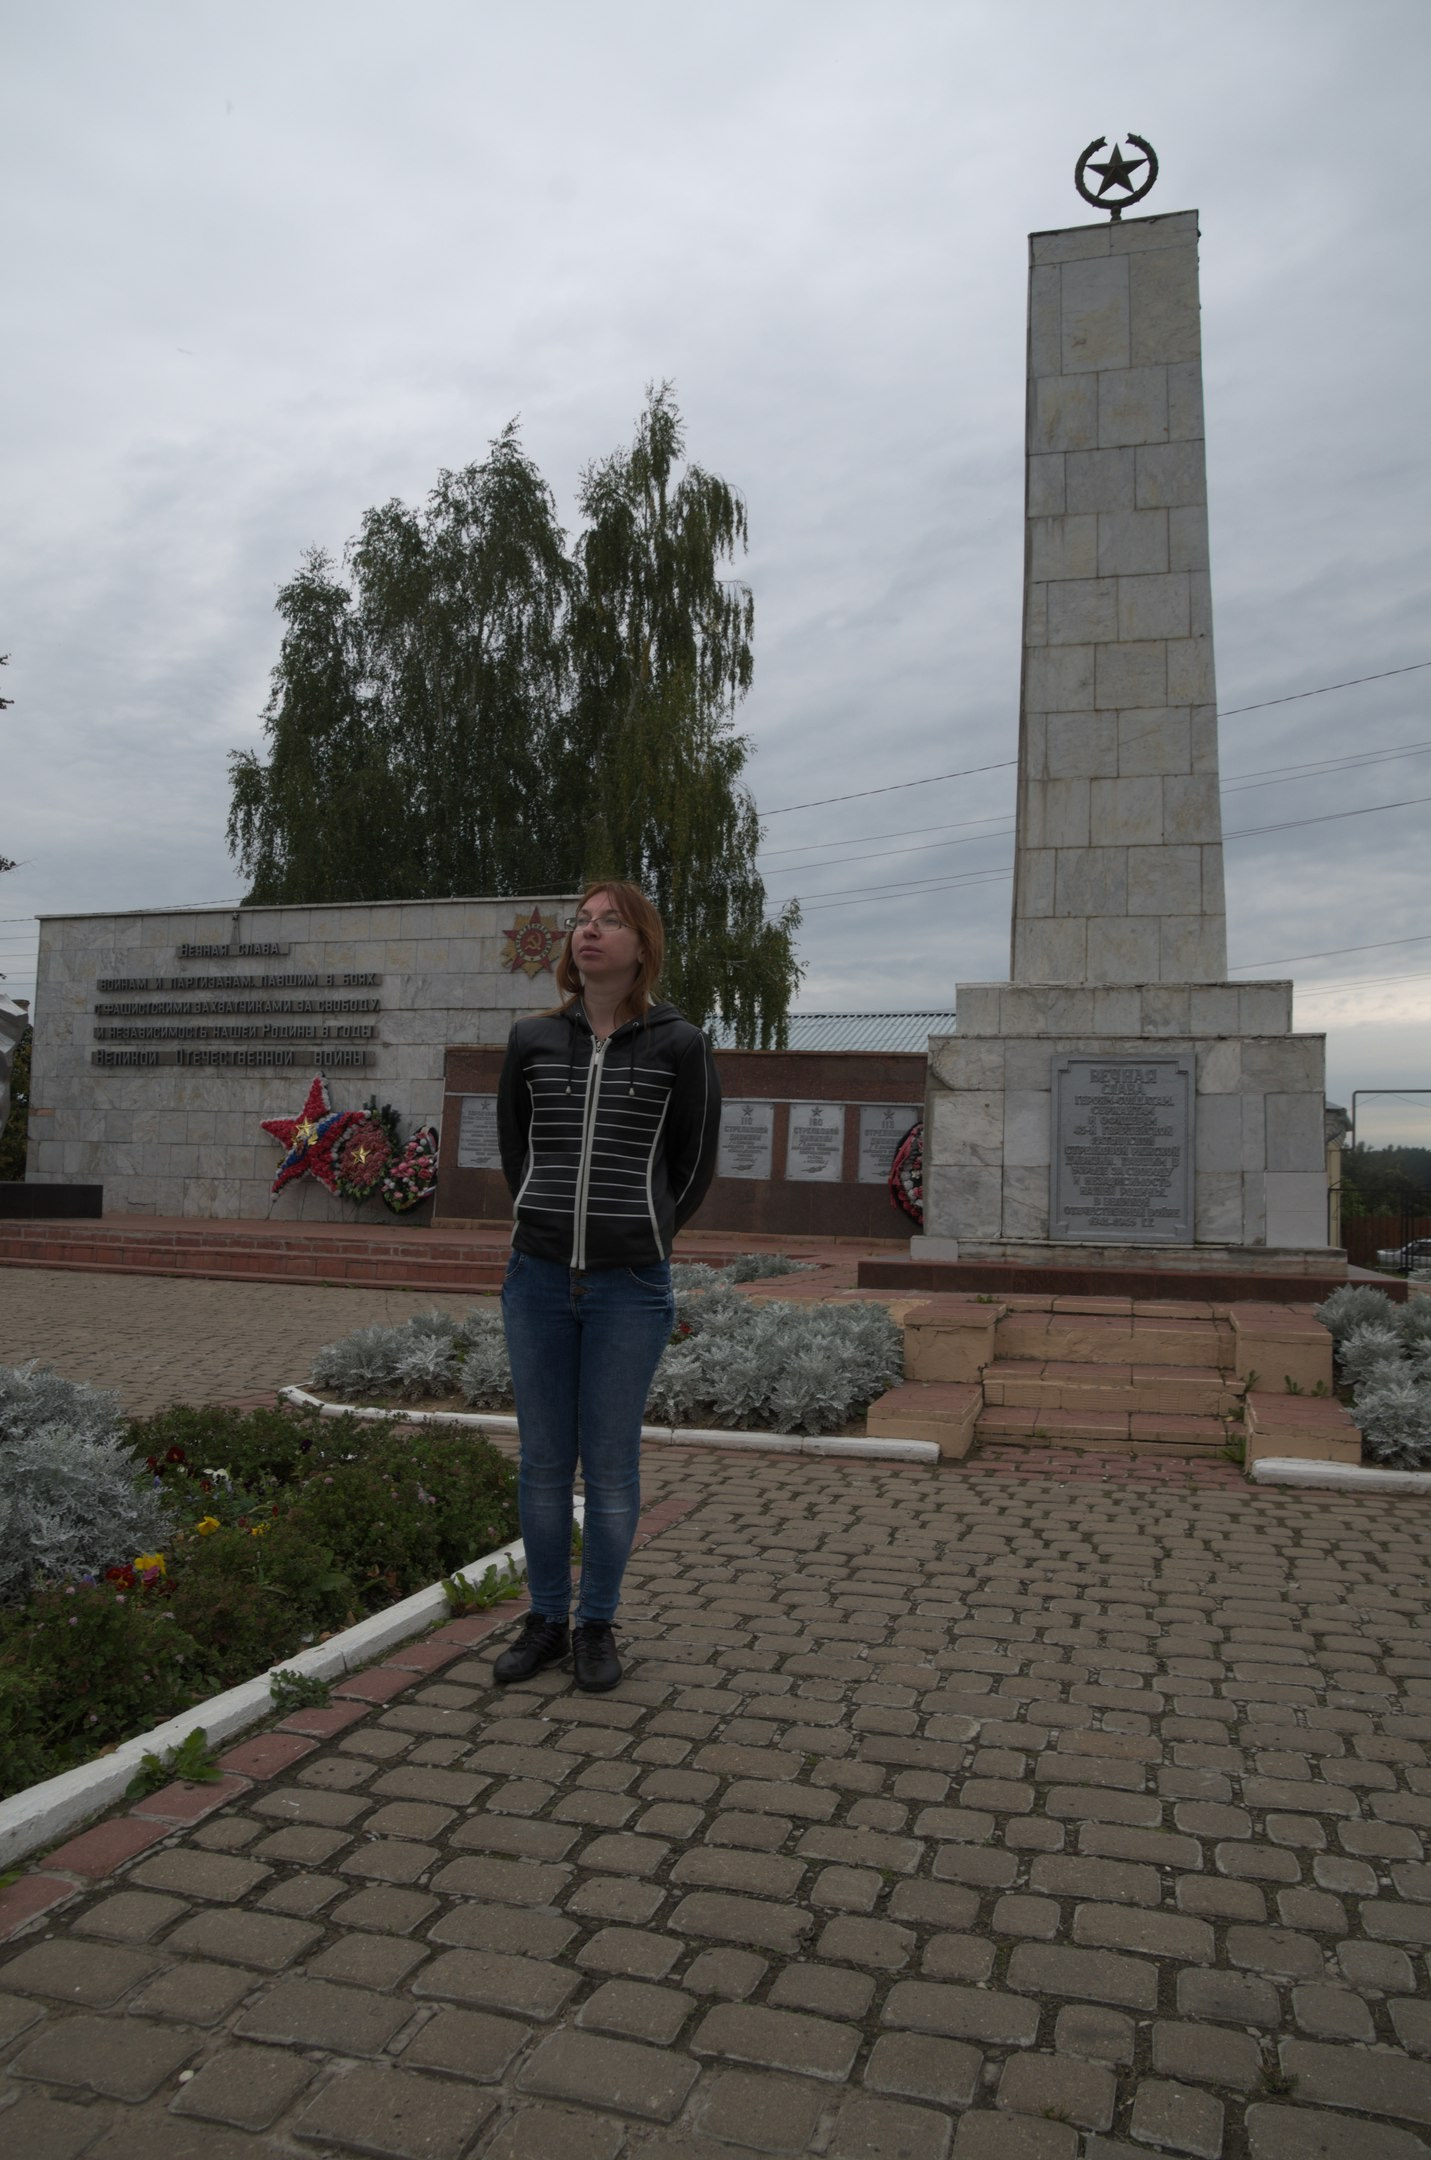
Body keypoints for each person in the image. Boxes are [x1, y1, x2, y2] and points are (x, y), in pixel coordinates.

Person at [493, 881, 721, 1691]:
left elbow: (692, 1165)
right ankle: (545, 1622)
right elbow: (516, 1150)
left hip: (629, 1286)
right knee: (543, 1464)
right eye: (582, 922)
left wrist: (644, 1231)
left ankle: (596, 1625)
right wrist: (542, 1218)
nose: (589, 932)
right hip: (537, 1281)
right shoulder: (530, 1039)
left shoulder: (679, 1045)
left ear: (641, 944)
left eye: (610, 921)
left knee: (613, 1468)